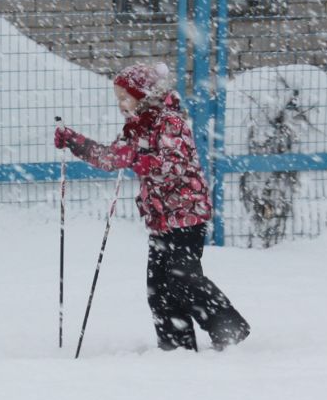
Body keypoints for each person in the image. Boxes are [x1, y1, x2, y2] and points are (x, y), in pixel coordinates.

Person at [54, 62, 251, 351]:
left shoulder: (170, 122)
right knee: (159, 289)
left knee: (182, 278)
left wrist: (134, 159)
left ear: (143, 95)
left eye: (125, 97)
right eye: (118, 98)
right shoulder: (136, 128)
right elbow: (111, 158)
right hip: (160, 220)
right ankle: (176, 345)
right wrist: (76, 143)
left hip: (186, 216)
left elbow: (173, 165)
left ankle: (229, 326)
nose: (121, 104)